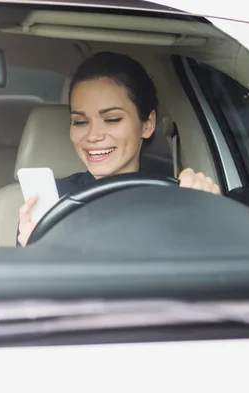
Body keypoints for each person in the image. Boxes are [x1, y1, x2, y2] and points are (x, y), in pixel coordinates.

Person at [17, 52, 221, 247]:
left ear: (148, 124)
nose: (93, 135)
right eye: (80, 122)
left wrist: (211, 216)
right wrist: (33, 254)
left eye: (112, 119)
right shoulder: (50, 203)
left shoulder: (177, 199)